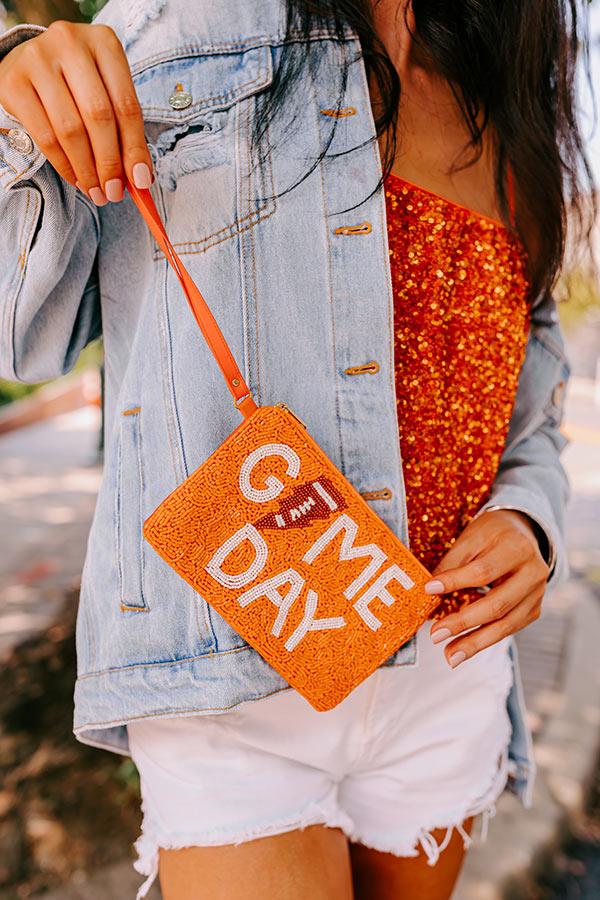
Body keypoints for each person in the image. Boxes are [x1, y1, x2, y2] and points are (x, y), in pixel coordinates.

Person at [0, 1, 593, 897]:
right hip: (236, 667)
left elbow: (529, 351)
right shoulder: (190, 20)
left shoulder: (503, 91)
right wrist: (15, 78)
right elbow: (22, 332)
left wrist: (530, 515)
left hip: (447, 664)